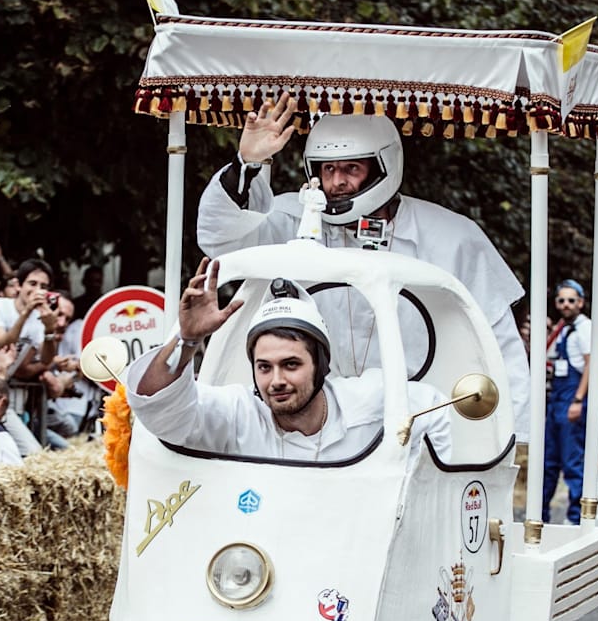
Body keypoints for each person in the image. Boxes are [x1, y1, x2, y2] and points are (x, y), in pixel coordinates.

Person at [195, 100, 530, 436]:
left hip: (415, 419)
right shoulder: (292, 218)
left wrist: (517, 435)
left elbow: (498, 342)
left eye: (351, 168)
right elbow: (220, 239)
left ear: (384, 166)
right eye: (328, 169)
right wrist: (247, 164)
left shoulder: (452, 237)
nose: (337, 181)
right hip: (313, 422)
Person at [127, 258, 450, 462]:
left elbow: (435, 411)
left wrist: (413, 492)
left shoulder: (370, 398)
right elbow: (159, 408)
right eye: (264, 367)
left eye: (291, 364)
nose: (276, 380)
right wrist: (188, 340)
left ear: (321, 365)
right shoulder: (238, 411)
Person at [542, 279, 590, 525]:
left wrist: (578, 400)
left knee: (572, 462)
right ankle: (541, 517)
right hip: (556, 400)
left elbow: (591, 364)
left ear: (580, 302)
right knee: (548, 460)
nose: (566, 304)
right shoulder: (561, 328)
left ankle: (575, 519)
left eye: (571, 300)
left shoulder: (584, 328)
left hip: (572, 398)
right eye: (562, 300)